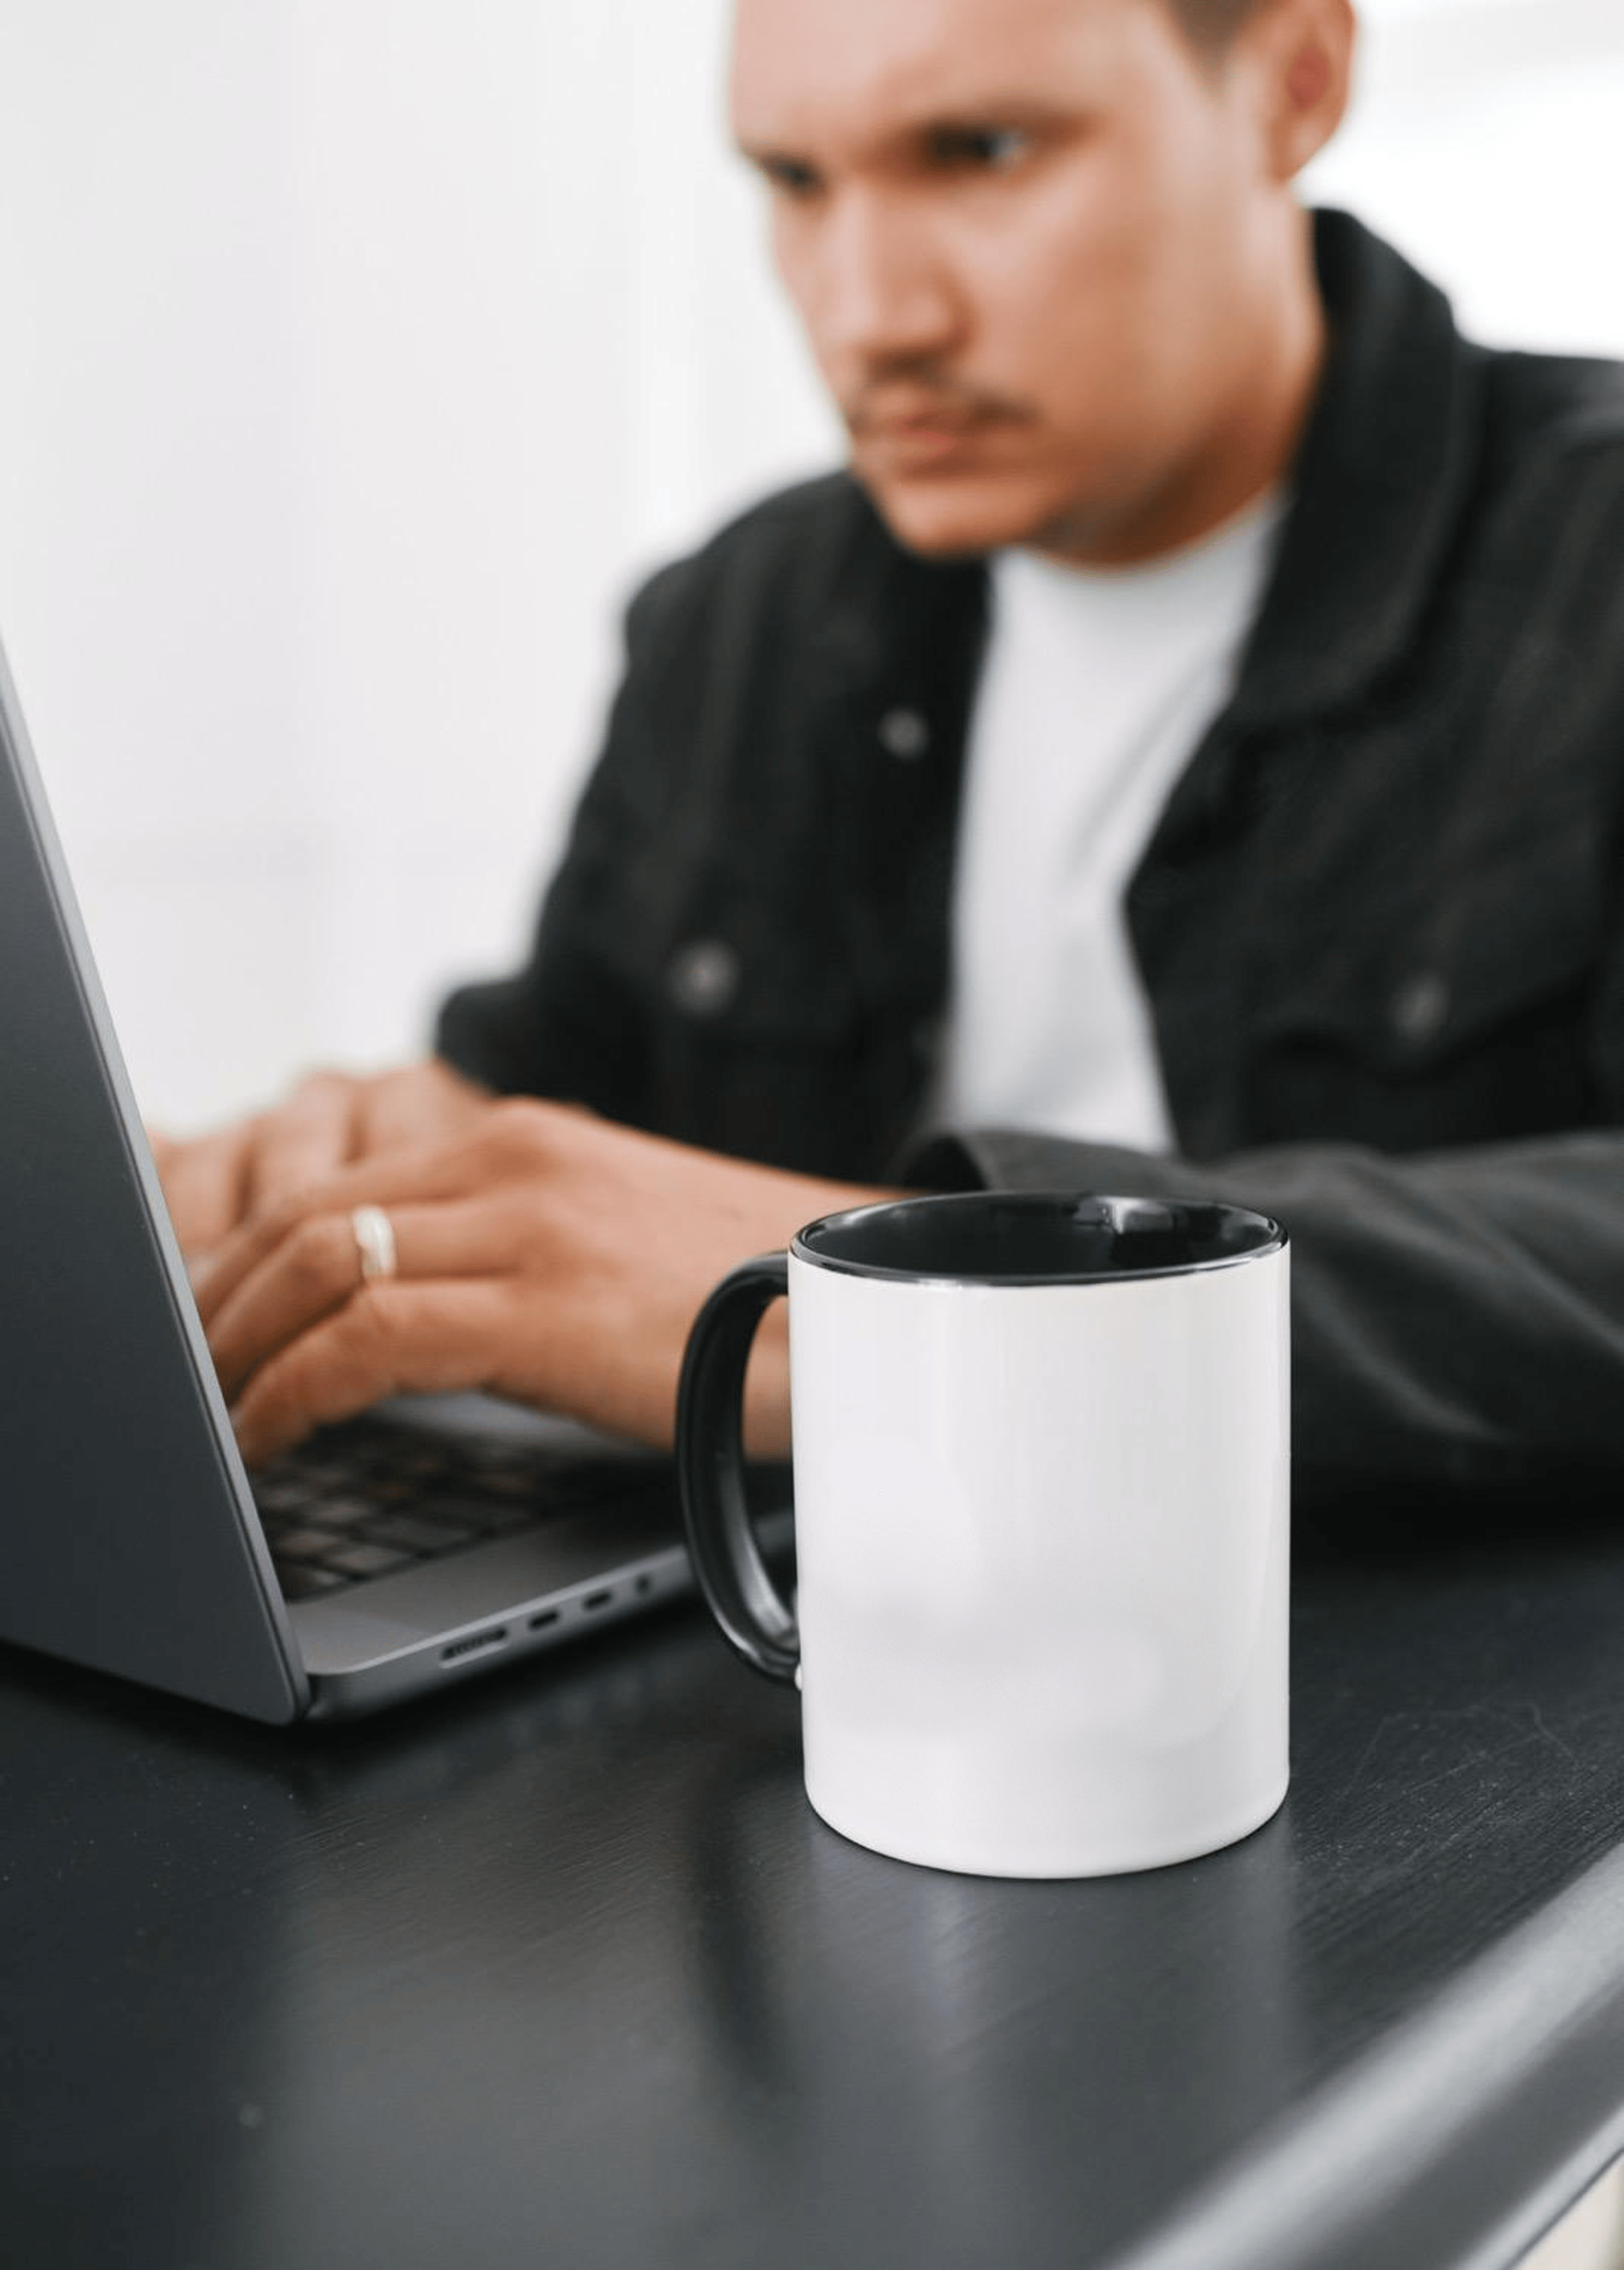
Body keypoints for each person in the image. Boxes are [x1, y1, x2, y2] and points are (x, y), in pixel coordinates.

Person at [159, 0, 1624, 1498]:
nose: (869, 316)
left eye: (981, 151)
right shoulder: (737, 620)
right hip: (787, 1655)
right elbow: (561, 1102)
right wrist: (377, 1173)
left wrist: (894, 1315)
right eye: (795, 182)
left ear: (1294, 83)